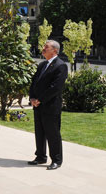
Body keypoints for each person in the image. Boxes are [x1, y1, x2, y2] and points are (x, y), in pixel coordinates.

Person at [28, 40, 68, 170]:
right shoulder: (42, 65)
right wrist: (32, 98)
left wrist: (40, 99)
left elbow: (55, 87)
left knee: (52, 133)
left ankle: (56, 159)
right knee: (39, 132)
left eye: (46, 47)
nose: (43, 48)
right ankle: (40, 156)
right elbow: (34, 83)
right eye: (44, 46)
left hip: (50, 106)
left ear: (55, 50)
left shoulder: (61, 66)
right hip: (38, 105)